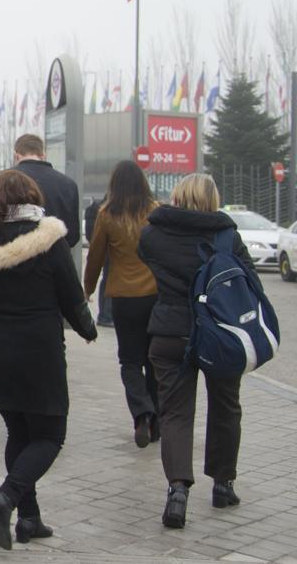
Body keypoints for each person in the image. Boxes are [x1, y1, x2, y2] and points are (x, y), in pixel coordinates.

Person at [0, 169, 96, 551]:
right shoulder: (48, 239)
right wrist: (88, 329)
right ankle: (6, 498)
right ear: (32, 198)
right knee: (50, 435)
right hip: (39, 350)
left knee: (18, 432)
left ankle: (29, 519)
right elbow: (71, 294)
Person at [138, 173, 252, 530]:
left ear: (178, 194)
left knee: (175, 412)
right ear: (212, 199)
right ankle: (222, 484)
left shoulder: (153, 233)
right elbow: (249, 280)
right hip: (219, 335)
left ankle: (177, 492)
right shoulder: (226, 236)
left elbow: (146, 258)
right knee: (225, 406)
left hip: (171, 332)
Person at [83, 161, 160, 449]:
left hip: (124, 299)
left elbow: (96, 257)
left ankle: (141, 413)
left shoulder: (107, 214)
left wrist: (88, 290)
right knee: (155, 361)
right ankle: (157, 423)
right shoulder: (155, 211)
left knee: (130, 361)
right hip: (155, 295)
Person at [12, 134, 79, 248]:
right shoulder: (68, 184)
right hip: (54, 260)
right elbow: (72, 236)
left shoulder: (0, 181)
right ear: (43, 156)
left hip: (12, 259)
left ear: (16, 156)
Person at [83, 197, 114, 326]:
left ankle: (105, 316)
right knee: (108, 278)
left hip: (107, 251)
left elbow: (94, 258)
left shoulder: (102, 209)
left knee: (107, 279)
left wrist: (88, 288)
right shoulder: (106, 211)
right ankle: (106, 316)